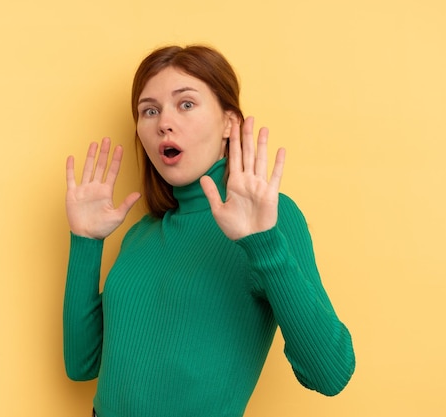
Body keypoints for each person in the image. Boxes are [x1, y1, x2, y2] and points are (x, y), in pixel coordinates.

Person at [63, 45, 355, 417]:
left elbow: (330, 374)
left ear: (230, 123)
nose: (163, 122)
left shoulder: (270, 220)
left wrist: (262, 244)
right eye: (149, 111)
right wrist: (85, 242)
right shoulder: (141, 233)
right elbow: (81, 365)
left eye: (186, 104)